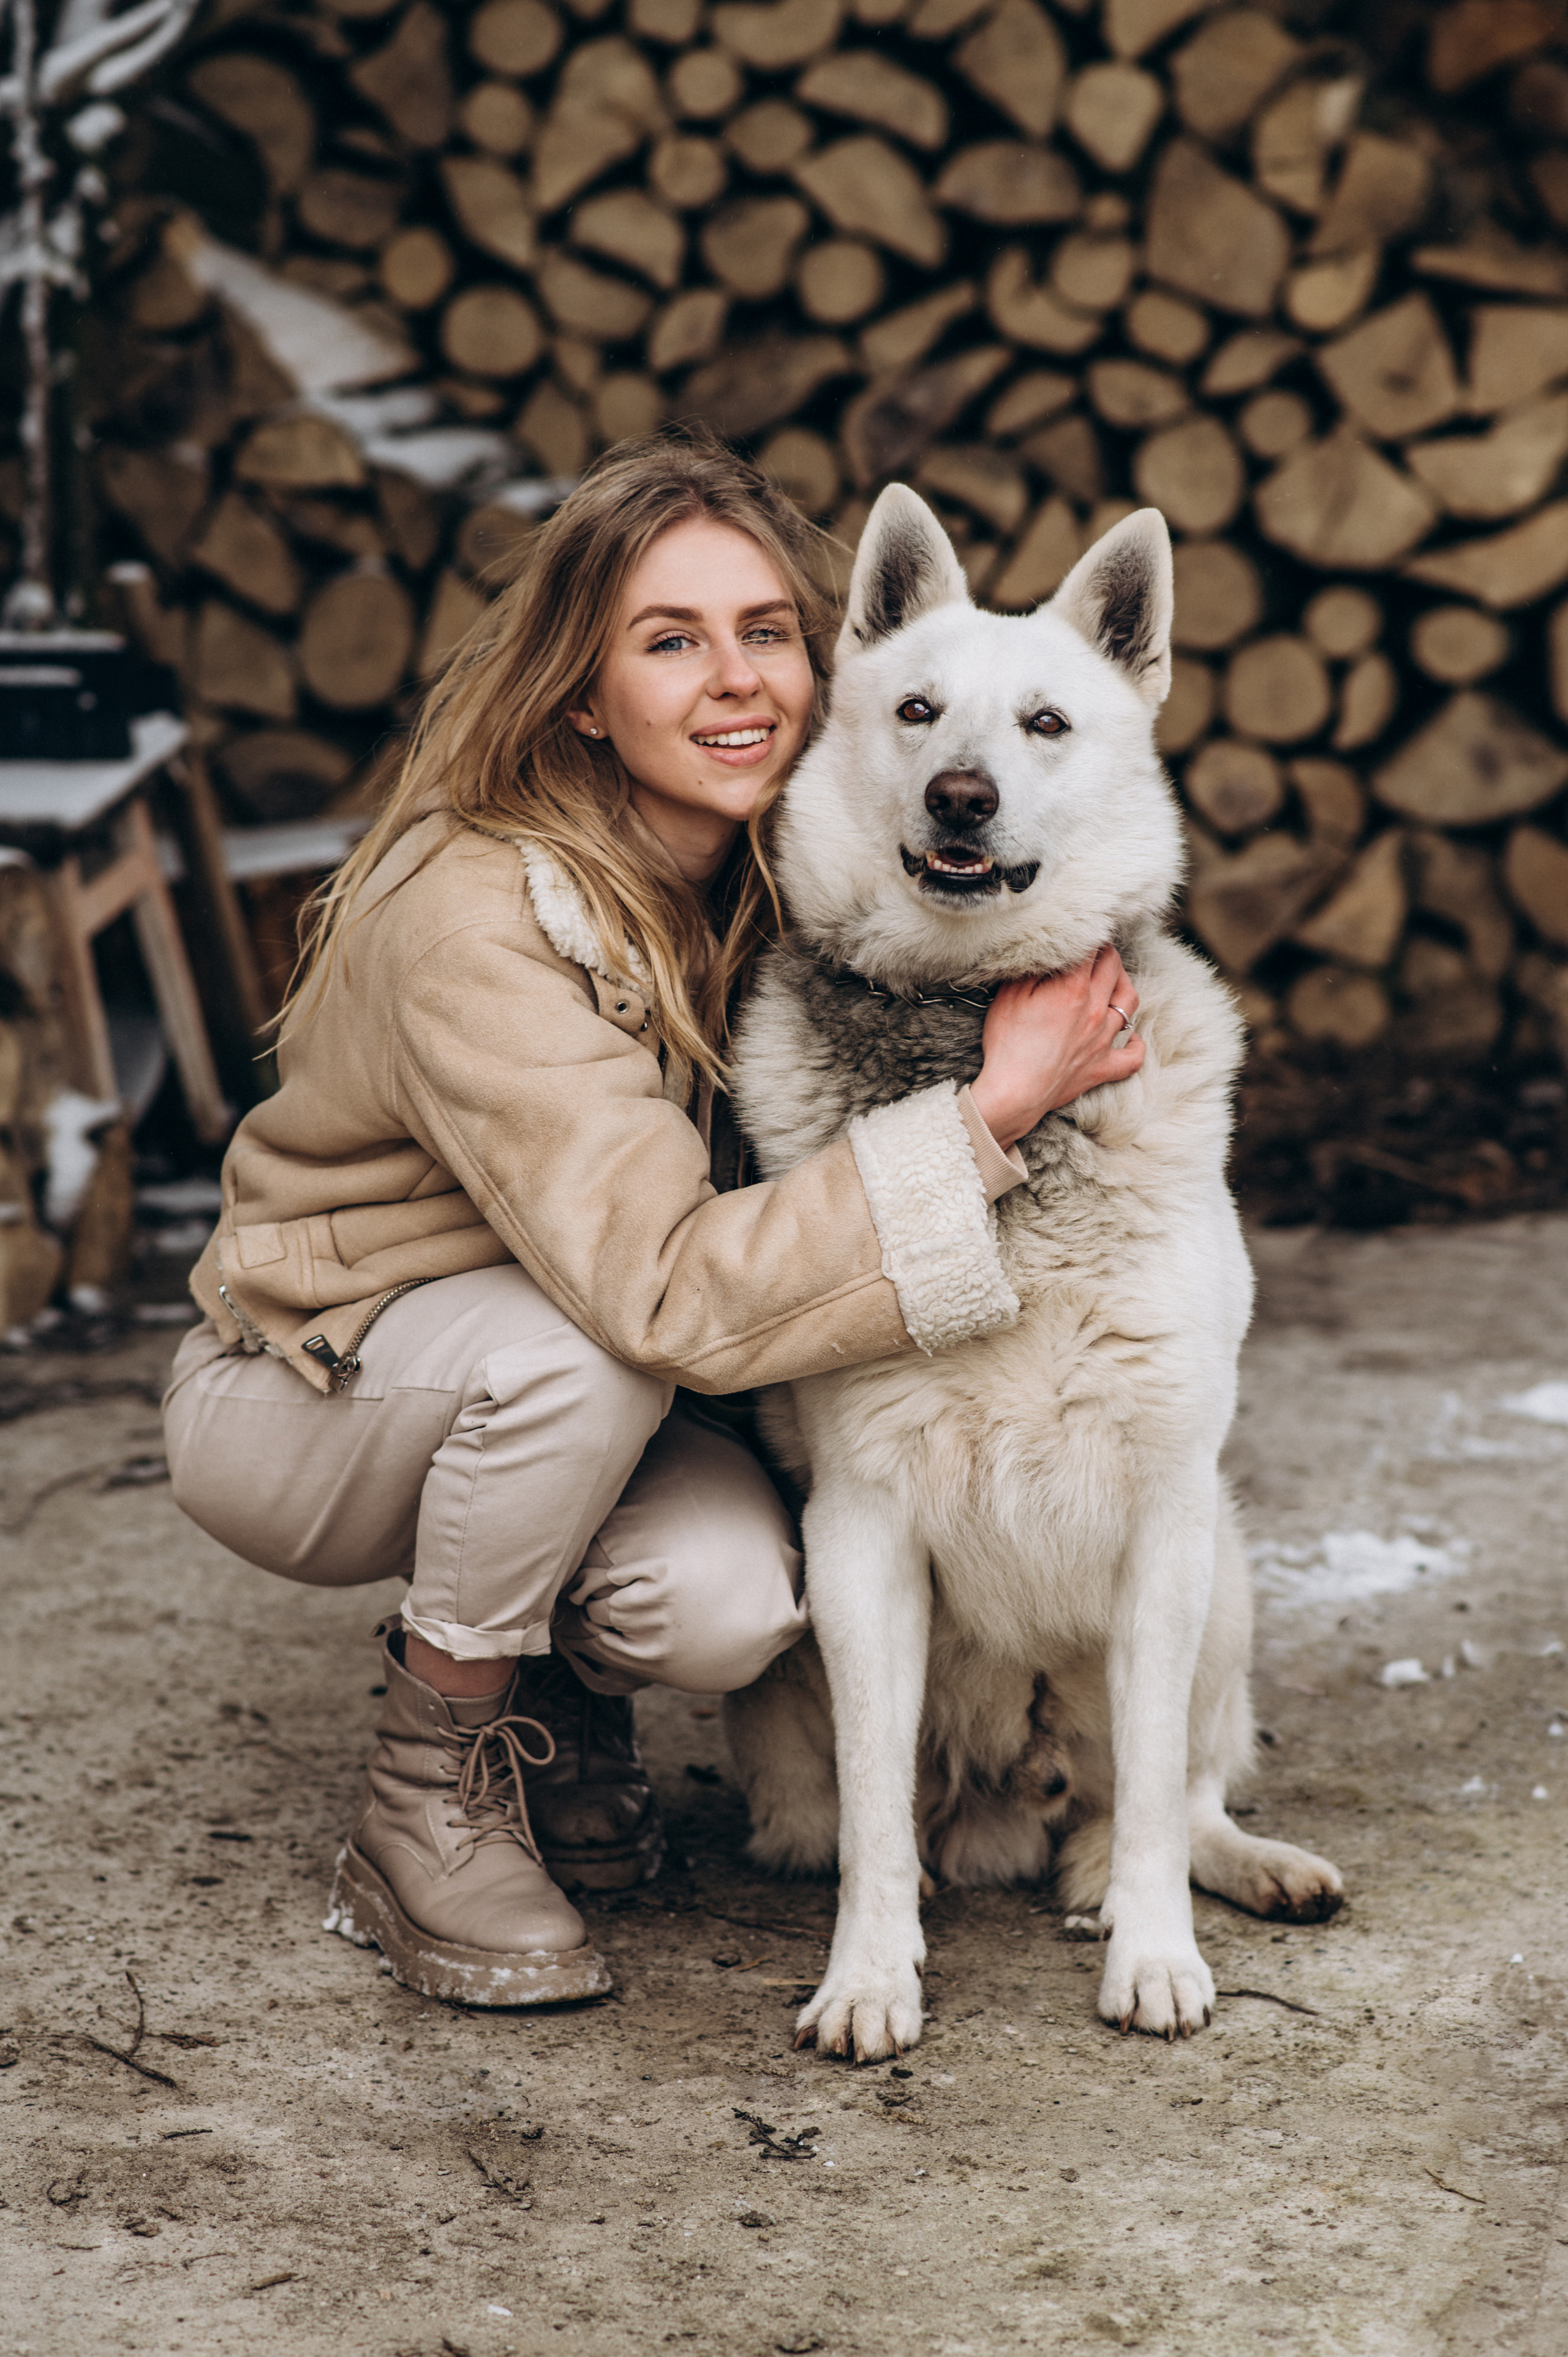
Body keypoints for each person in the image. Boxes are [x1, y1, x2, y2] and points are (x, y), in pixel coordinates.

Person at [162, 426, 1144, 2010]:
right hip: (313, 1390)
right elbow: (668, 1298)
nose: (738, 679)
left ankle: (550, 1703)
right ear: (579, 688)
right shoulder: (477, 913)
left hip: (551, 1373)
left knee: (732, 1593)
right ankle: (421, 1800)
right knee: (591, 1354)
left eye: (768, 634)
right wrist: (990, 1119)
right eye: (671, 642)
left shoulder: (775, 873)